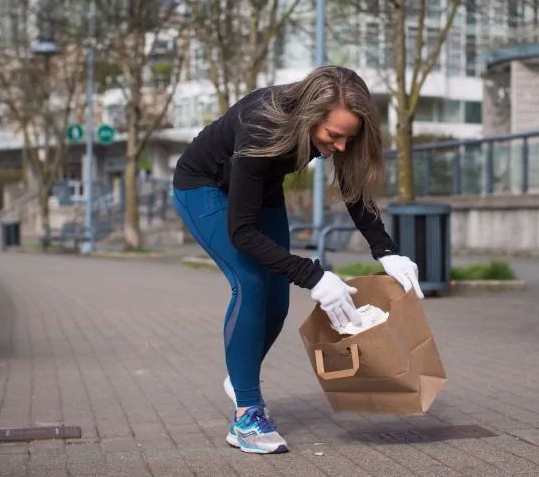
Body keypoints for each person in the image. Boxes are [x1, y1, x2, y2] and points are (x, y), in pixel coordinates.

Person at [172, 65, 424, 454]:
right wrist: (315, 276)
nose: (340, 146)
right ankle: (246, 414)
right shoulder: (261, 123)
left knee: (277, 304)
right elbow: (241, 233)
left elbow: (354, 190)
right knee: (252, 283)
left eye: (349, 137)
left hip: (260, 186)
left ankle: (241, 376)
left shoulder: (337, 134)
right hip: (203, 187)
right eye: (332, 136)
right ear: (309, 117)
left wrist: (386, 251)